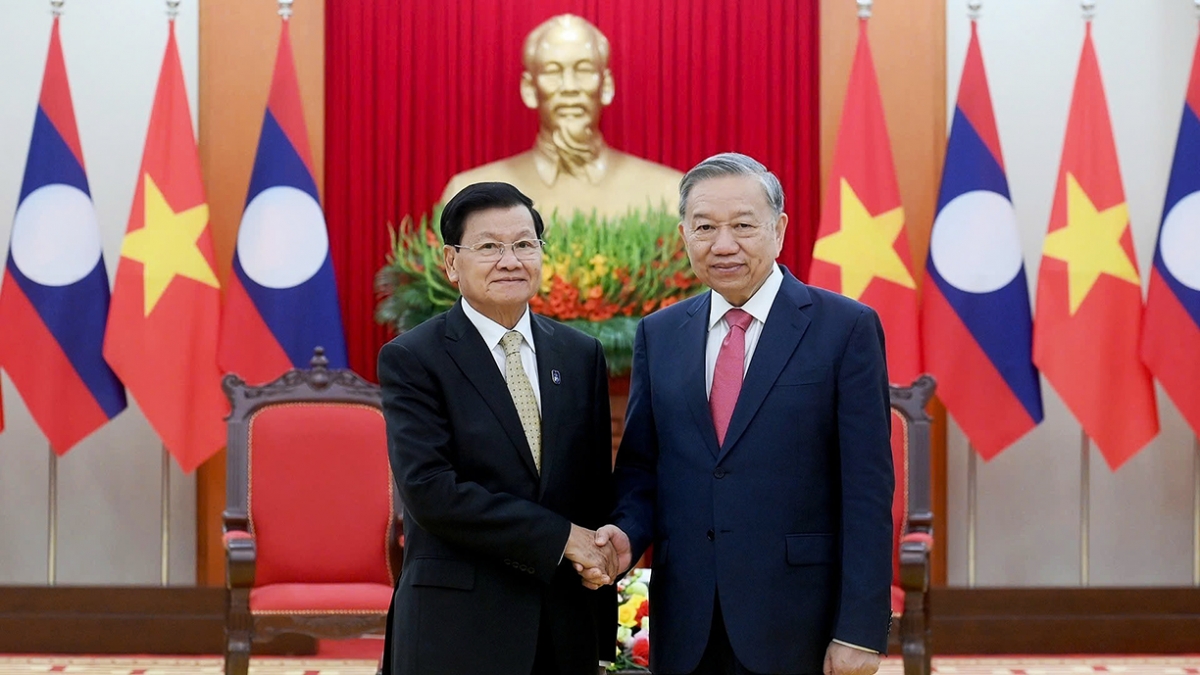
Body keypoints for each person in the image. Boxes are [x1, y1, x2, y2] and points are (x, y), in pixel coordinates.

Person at [586, 153, 895, 675]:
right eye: (705, 226)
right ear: (684, 234)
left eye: (743, 226)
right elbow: (642, 469)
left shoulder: (844, 329)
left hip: (799, 621)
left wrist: (859, 632)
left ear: (778, 230)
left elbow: (866, 491)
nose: (722, 244)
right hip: (687, 622)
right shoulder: (660, 334)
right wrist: (625, 533)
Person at [378, 181, 618, 675]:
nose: (511, 261)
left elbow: (593, 490)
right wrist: (559, 538)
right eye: (489, 247)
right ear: (451, 263)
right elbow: (430, 491)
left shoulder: (579, 355)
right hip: (457, 626)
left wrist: (600, 564)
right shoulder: (414, 358)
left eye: (524, 245)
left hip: (562, 626)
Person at [439, 14, 682, 220]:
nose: (569, 87)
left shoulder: (668, 193)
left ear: (606, 85)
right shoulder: (467, 194)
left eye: (584, 70)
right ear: (529, 89)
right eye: (553, 72)